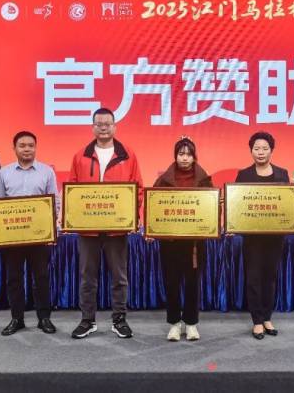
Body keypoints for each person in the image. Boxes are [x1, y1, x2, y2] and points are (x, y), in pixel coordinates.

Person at [69, 107, 143, 339]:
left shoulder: (127, 154)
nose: (103, 127)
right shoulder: (80, 155)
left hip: (116, 228)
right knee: (87, 277)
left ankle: (119, 319)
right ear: (93, 127)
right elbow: (72, 190)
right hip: (88, 229)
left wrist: (132, 218)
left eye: (107, 124)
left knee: (119, 277)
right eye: (99, 124)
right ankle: (87, 320)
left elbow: (138, 189)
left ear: (114, 127)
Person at [0, 131, 60, 336]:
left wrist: (52, 228)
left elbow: (55, 202)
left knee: (41, 277)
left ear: (35, 148)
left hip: (39, 235)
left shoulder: (47, 171)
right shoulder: (4, 172)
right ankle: (17, 318)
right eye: (22, 145)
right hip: (12, 236)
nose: (27, 149)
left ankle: (44, 318)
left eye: (31, 145)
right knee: (14, 278)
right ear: (14, 149)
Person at [152, 137, 213, 341]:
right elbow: (154, 207)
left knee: (193, 283)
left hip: (194, 243)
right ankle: (174, 323)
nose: (184, 158)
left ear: (194, 157)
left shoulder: (204, 180)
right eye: (181, 154)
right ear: (175, 156)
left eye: (188, 154)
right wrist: (152, 230)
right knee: (171, 282)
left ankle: (192, 323)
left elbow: (212, 209)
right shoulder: (163, 180)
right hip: (170, 242)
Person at [235, 131, 289, 340]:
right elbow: (237, 204)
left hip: (275, 236)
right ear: (251, 151)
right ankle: (257, 321)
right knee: (254, 278)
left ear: (271, 150)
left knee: (270, 277)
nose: (260, 152)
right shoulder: (244, 175)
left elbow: (287, 203)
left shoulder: (282, 174)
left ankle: (267, 317)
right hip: (253, 238)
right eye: (256, 148)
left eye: (265, 148)